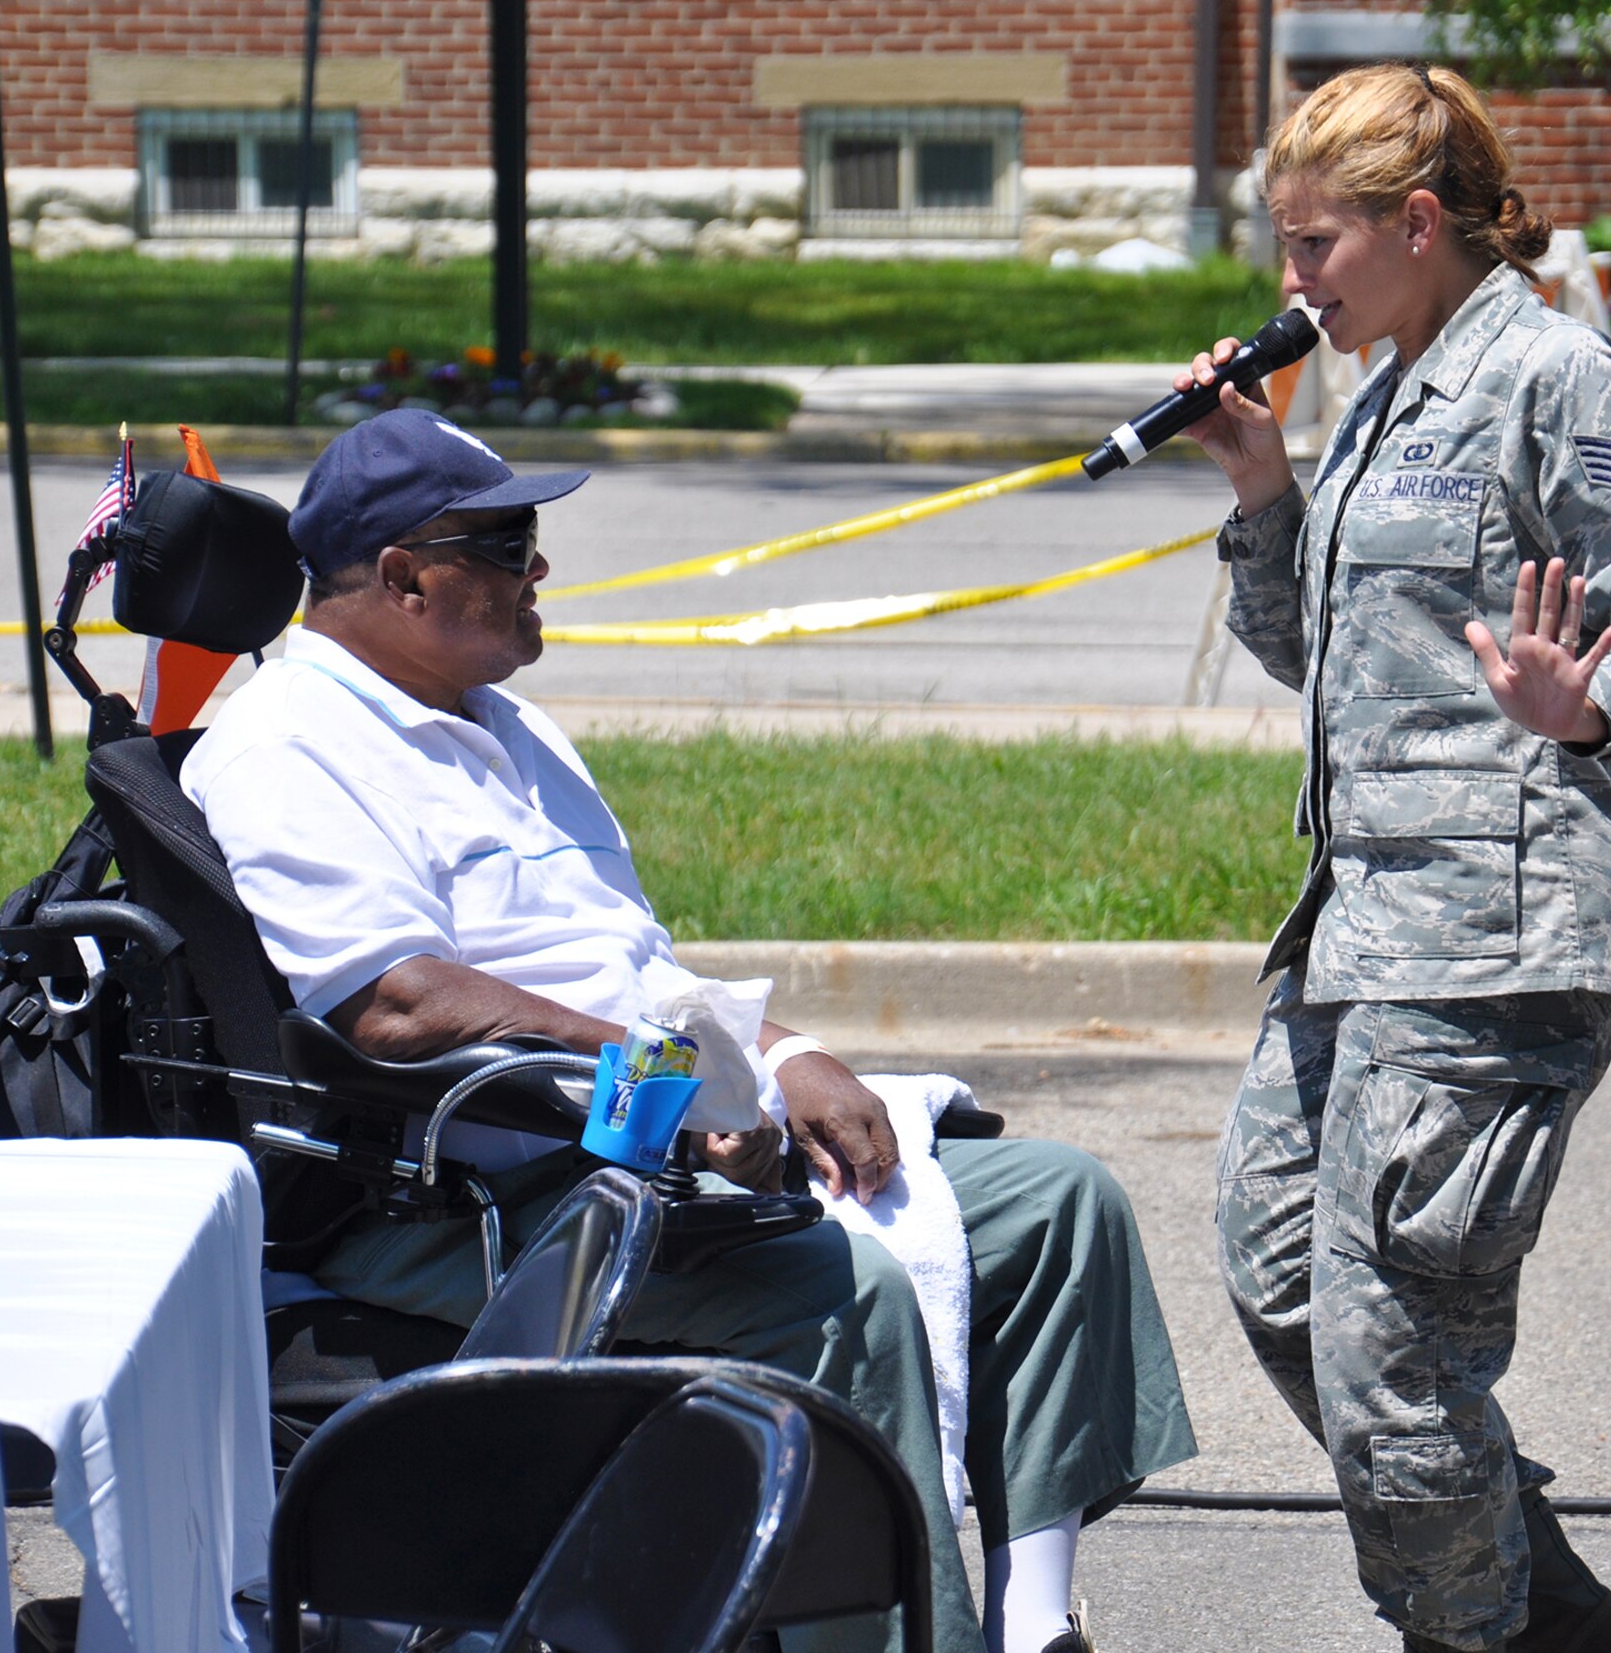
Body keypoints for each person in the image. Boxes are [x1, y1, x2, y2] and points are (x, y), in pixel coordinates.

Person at [181, 406, 1197, 1653]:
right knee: (848, 1293)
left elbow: (637, 966)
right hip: (463, 1189)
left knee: (1055, 1200)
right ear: (401, 576)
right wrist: (684, 1077)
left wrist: (773, 1054)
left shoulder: (512, 728)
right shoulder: (290, 743)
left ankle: (1030, 1623)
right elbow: (395, 1003)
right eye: (506, 545)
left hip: (639, 1126)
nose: (537, 569)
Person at [1179, 64, 1611, 1653]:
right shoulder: (1380, 394)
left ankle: (1478, 1628)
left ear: (1415, 224)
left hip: (1500, 937)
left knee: (1392, 1357)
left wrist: (1585, 708)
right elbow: (1325, 661)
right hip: (1357, 925)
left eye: (1313, 247)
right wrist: (1262, 485)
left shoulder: (1558, 382)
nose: (1291, 286)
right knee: (1279, 1270)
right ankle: (1505, 1575)